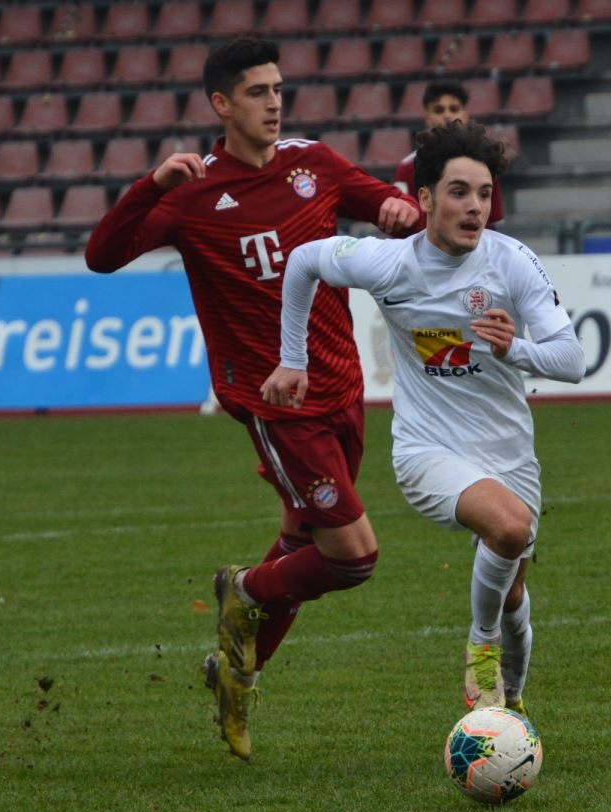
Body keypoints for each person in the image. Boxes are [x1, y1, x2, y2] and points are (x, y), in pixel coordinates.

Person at [85, 37, 420, 761]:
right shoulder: (192, 192)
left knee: (303, 542)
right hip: (275, 402)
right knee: (353, 555)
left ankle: (237, 672)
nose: (273, 102)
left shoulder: (315, 164)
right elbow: (102, 255)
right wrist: (150, 186)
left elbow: (387, 205)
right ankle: (242, 587)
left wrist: (397, 210)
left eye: (277, 89)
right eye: (258, 92)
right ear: (221, 105)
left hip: (343, 386)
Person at [263, 120, 585, 716]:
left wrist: (517, 350)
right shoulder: (389, 264)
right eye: (459, 192)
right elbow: (305, 261)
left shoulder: (512, 262)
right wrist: (292, 360)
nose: (475, 208)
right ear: (425, 199)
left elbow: (572, 360)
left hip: (508, 453)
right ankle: (479, 647)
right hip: (427, 451)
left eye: (485, 194)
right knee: (510, 530)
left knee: (513, 588)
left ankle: (506, 713)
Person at [394, 79, 506, 231]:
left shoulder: (484, 163)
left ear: (465, 115)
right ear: (427, 118)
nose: (447, 115)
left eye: (453, 109)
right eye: (439, 110)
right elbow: (401, 224)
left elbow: (492, 225)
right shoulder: (407, 167)